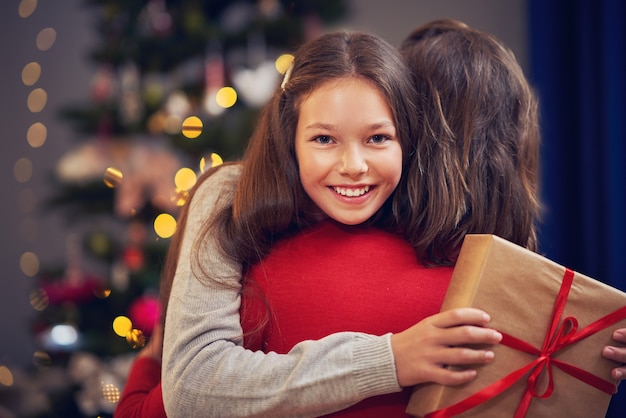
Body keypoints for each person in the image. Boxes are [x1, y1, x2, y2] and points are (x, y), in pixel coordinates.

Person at [115, 23, 626, 418]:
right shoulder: (231, 195)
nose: (353, 164)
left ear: (410, 139)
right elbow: (188, 389)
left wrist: (586, 349)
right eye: (323, 138)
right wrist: (390, 359)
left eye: (378, 138)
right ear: (287, 137)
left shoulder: (456, 263)